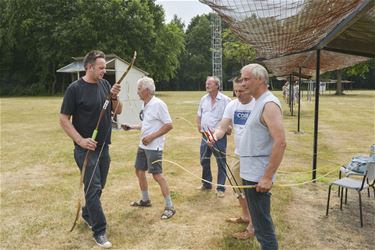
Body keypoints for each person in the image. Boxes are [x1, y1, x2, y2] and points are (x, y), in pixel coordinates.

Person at [60, 50, 122, 249]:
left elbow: (117, 110)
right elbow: (63, 119)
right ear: (89, 67)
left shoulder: (104, 85)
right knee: (93, 189)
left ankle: (87, 215)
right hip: (85, 150)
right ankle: (99, 230)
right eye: (101, 67)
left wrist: (114, 96)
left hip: (104, 146)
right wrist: (80, 140)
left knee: (98, 186)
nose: (105, 70)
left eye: (105, 67)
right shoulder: (75, 89)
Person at [239, 64, 286, 250]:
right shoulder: (259, 101)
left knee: (263, 228)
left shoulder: (269, 104)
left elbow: (280, 142)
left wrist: (267, 177)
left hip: (258, 177)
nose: (242, 84)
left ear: (260, 79)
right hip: (251, 174)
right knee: (259, 224)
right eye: (241, 79)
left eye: (246, 79)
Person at [208, 77, 255, 239]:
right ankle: (246, 216)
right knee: (237, 186)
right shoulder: (232, 105)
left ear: (249, 88)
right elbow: (222, 128)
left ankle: (253, 227)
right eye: (235, 91)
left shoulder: (258, 104)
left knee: (252, 191)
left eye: (242, 90)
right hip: (239, 154)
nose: (238, 94)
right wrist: (214, 137)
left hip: (255, 157)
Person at [122, 77, 175, 220]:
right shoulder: (145, 104)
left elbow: (169, 125)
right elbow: (146, 123)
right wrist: (132, 127)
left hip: (154, 146)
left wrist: (151, 137)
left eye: (139, 89)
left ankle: (170, 207)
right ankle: (145, 200)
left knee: (157, 175)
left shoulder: (158, 104)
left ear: (147, 90)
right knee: (139, 171)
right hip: (142, 145)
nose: (137, 92)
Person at [196, 76, 231, 198]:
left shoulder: (226, 100)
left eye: (209, 83)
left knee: (221, 162)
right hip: (205, 135)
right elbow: (199, 114)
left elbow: (230, 117)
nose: (207, 85)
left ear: (217, 85)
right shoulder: (203, 99)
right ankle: (206, 184)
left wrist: (228, 128)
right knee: (204, 160)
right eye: (206, 83)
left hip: (218, 136)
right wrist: (199, 126)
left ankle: (220, 188)